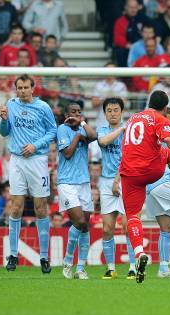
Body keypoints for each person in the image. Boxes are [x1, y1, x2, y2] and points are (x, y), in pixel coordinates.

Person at [119, 90, 170, 283]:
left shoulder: (133, 119)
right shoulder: (160, 121)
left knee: (134, 216)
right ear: (163, 109)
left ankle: (140, 255)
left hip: (129, 174)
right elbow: (168, 141)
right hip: (154, 175)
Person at [0, 74, 57, 273]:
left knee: (40, 208)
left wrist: (35, 145)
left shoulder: (43, 108)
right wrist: (4, 120)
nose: (22, 91)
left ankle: (44, 257)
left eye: (25, 87)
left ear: (33, 89)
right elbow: (4, 132)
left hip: (37, 160)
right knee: (16, 207)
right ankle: (13, 255)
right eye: (19, 88)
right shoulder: (11, 104)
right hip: (16, 160)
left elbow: (53, 131)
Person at [96, 97, 137, 280]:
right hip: (106, 182)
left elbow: (130, 158)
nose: (113, 113)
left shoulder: (131, 134)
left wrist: (117, 180)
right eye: (109, 110)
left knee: (128, 227)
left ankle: (133, 267)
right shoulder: (103, 130)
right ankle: (111, 268)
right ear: (105, 114)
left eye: (116, 110)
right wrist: (122, 128)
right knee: (107, 228)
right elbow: (104, 142)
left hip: (126, 180)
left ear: (122, 112)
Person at [57, 103, 97, 280]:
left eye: (79, 112)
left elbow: (94, 136)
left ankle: (80, 268)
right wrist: (78, 138)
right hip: (67, 182)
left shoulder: (83, 128)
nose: (76, 114)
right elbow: (67, 153)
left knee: (85, 225)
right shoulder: (62, 129)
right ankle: (67, 261)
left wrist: (82, 123)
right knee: (79, 221)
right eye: (73, 112)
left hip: (84, 182)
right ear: (66, 114)